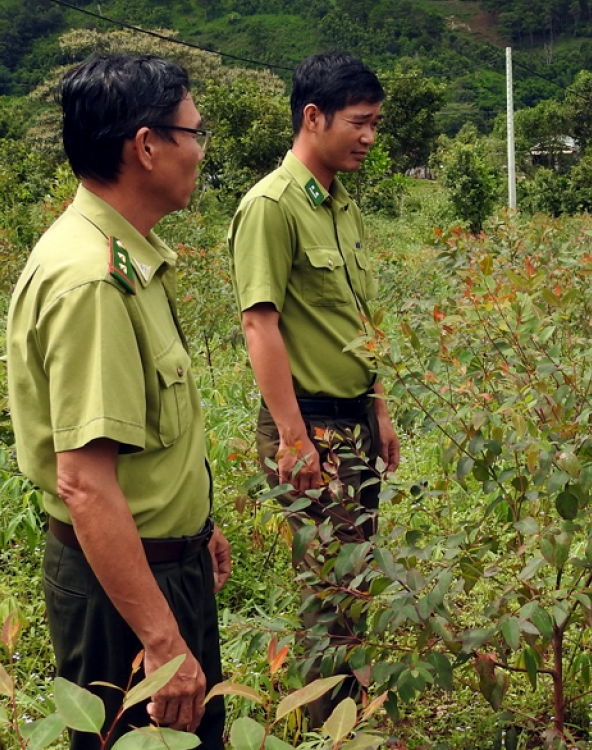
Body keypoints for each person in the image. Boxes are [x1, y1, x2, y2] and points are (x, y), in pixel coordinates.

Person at [6, 55, 231, 750]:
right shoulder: (93, 281)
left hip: (158, 567)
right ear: (146, 145)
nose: (200, 149)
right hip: (125, 596)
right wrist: (161, 641)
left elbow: (149, 444)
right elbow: (84, 480)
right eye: (194, 133)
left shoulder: (127, 258)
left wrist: (196, 528)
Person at [227, 50, 401, 722]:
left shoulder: (342, 206)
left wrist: (379, 409)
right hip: (311, 427)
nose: (369, 137)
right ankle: (330, 724)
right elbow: (258, 322)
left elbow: (362, 320)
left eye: (376, 124)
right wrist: (295, 438)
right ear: (312, 117)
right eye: (359, 122)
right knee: (329, 588)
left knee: (355, 577)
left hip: (353, 420)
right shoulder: (272, 207)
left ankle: (350, 713)